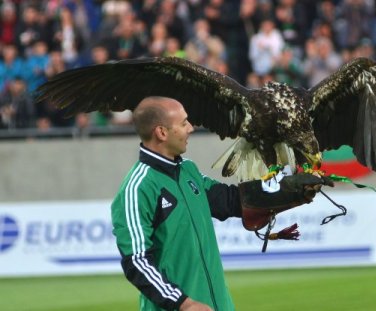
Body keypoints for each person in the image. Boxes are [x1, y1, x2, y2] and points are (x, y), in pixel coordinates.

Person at [111, 96, 327, 311]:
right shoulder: (138, 188)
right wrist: (183, 304)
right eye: (184, 123)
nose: (191, 128)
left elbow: (232, 201)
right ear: (162, 132)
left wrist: (288, 190)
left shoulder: (188, 170)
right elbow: (137, 262)